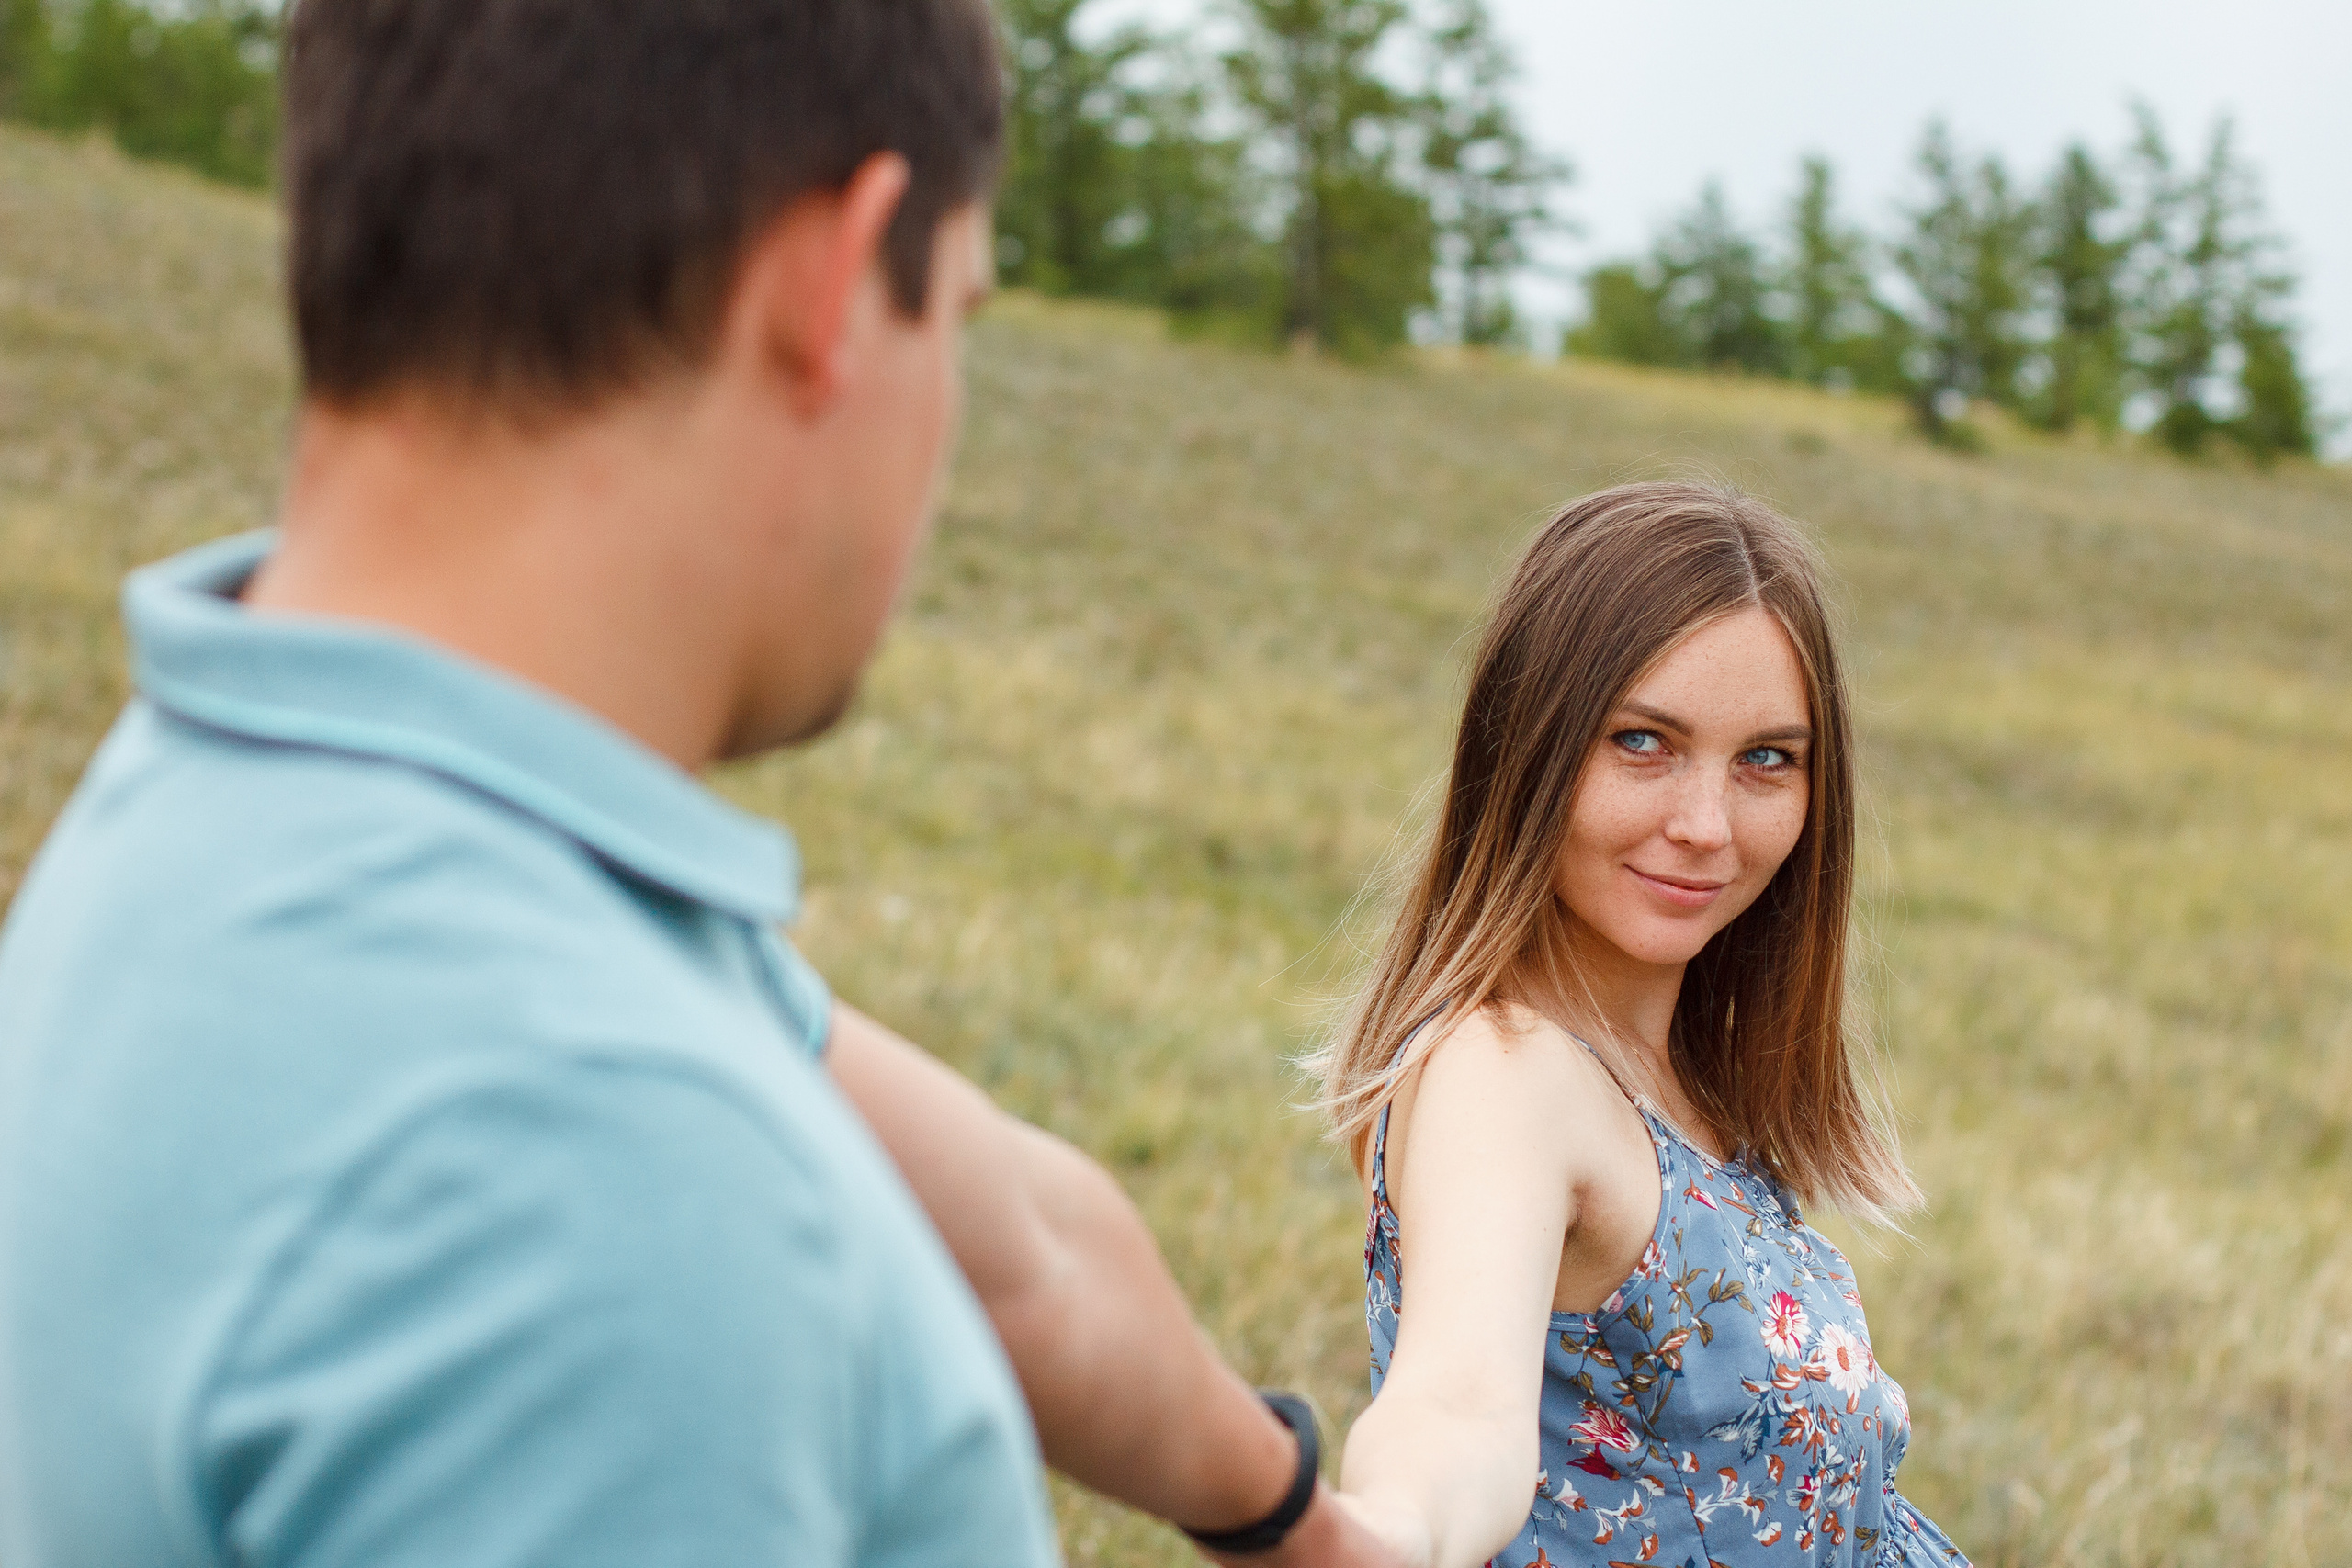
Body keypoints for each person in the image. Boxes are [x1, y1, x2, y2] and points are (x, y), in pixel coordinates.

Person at [0, 3, 1399, 1565]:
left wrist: (1303, 1523)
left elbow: (1026, 1251)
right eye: (955, 313)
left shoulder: (249, 804)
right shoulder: (595, 1164)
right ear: (833, 285)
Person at [1314, 484, 1970, 1568]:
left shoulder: (1677, 1086)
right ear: (1526, 747)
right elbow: (1457, 1411)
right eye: (1642, 742)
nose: (1706, 826)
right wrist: (1383, 1532)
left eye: (1766, 759)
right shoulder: (1505, 1072)